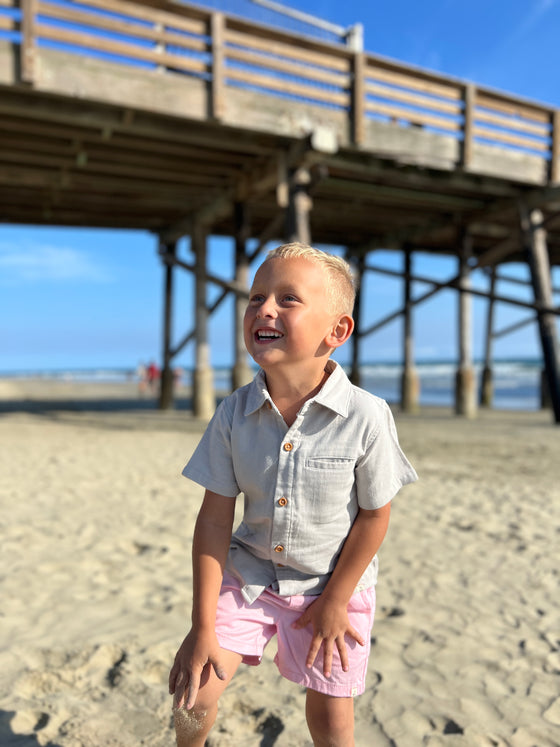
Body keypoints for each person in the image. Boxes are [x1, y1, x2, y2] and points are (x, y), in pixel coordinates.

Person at [169, 243, 417, 746]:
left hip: (333, 588)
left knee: (332, 722)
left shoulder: (367, 417)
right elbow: (214, 520)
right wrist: (201, 626)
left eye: (288, 299)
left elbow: (374, 517)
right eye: (257, 297)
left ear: (337, 331)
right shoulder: (233, 414)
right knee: (194, 695)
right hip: (250, 576)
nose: (264, 308)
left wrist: (338, 600)